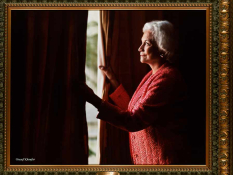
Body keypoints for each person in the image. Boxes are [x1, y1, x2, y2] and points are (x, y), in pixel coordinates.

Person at [79, 20, 190, 165]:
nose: (140, 48)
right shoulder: (153, 74)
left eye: (147, 44)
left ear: (163, 48)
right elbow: (133, 108)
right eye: (141, 42)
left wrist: (93, 99)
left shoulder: (167, 78)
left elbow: (134, 120)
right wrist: (112, 79)